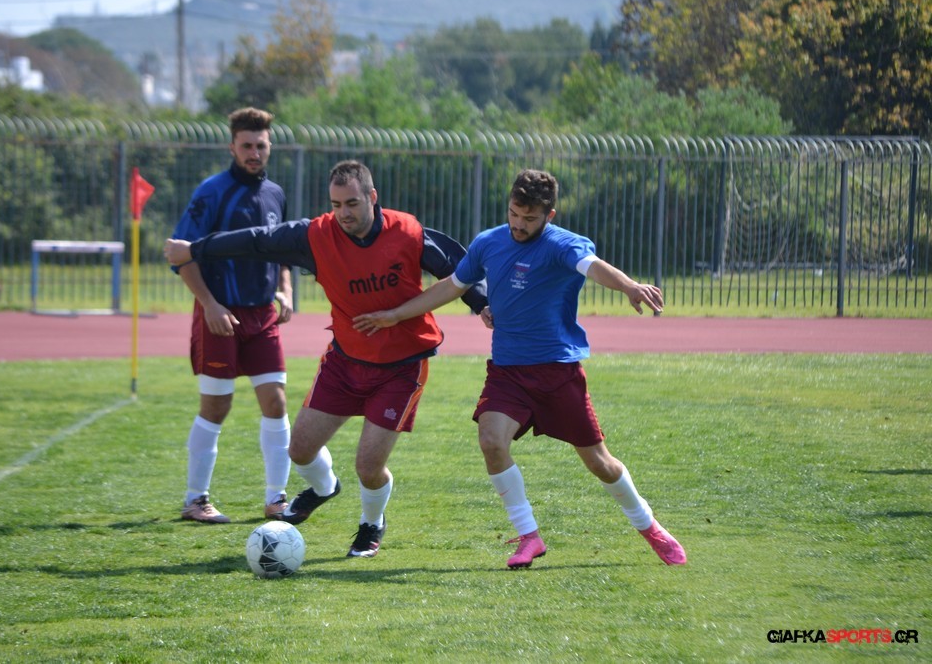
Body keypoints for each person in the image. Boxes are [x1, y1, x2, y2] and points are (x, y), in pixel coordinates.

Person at [353, 168, 687, 569]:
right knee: (491, 441)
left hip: (558, 372)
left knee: (600, 462)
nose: (519, 224)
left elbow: (593, 266)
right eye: (514, 213)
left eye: (530, 218)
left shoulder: (562, 244)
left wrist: (630, 286)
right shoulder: (488, 242)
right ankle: (529, 536)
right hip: (508, 372)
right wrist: (395, 315)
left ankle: (649, 526)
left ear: (550, 215)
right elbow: (451, 286)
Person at [165, 159, 488, 557]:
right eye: (336, 205)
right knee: (299, 449)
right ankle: (324, 487)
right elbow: (257, 240)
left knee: (368, 466)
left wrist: (482, 303)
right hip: (345, 361)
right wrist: (196, 249)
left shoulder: (407, 231)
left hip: (401, 366)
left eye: (352, 203)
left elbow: (457, 266)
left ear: (372, 197)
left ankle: (371, 524)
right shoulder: (315, 236)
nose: (343, 213)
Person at [170, 106, 294, 525]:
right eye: (246, 146)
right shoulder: (212, 192)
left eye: (261, 145)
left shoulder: (275, 193)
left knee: (276, 401)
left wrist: (285, 289)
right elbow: (181, 254)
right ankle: (195, 500)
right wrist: (210, 304)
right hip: (219, 314)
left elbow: (282, 249)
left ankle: (277, 499)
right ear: (232, 147)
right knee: (216, 405)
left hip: (262, 316)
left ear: (269, 146)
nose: (254, 153)